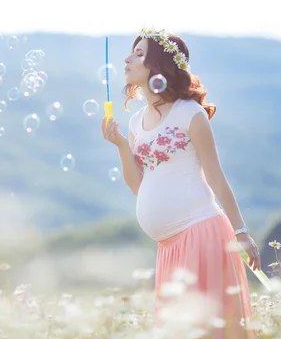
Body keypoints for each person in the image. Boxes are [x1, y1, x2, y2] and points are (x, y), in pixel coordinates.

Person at [101, 27, 261, 338]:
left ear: (157, 66)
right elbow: (138, 186)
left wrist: (241, 232)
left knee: (206, 330)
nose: (127, 59)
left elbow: (216, 176)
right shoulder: (136, 122)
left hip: (200, 233)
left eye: (138, 53)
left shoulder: (190, 114)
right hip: (169, 246)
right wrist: (122, 146)